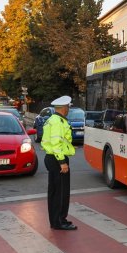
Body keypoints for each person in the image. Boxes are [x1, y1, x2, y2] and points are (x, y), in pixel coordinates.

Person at [42, 96, 77, 230]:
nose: (68, 109)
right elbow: (56, 143)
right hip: (57, 159)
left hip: (53, 158)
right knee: (60, 192)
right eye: (68, 107)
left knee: (55, 191)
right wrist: (62, 162)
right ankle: (59, 221)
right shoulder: (57, 122)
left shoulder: (53, 119)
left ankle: (57, 220)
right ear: (64, 108)